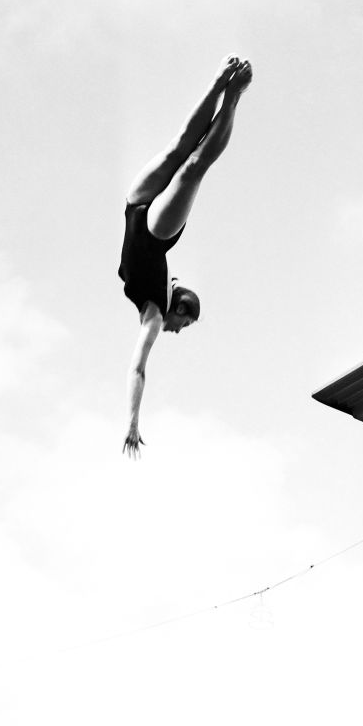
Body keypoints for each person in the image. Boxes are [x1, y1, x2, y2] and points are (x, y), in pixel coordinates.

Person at [118, 54, 253, 458]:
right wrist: (133, 422)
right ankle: (229, 95)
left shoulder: (158, 305)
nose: (174, 331)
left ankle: (224, 88)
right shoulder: (157, 306)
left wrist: (131, 420)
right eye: (183, 323)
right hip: (154, 229)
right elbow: (138, 368)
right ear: (179, 308)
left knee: (185, 155)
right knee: (190, 161)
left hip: (135, 204)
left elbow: (137, 367)